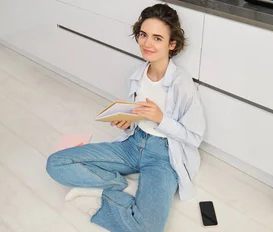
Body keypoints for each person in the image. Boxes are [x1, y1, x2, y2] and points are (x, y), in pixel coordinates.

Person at [46, 3, 206, 232]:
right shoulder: (136, 75)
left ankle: (111, 195)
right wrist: (128, 121)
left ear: (172, 44)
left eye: (157, 38)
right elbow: (137, 117)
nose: (147, 43)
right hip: (133, 145)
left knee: (149, 228)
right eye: (143, 34)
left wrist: (161, 119)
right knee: (55, 163)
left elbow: (194, 137)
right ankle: (117, 183)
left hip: (164, 156)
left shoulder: (183, 84)